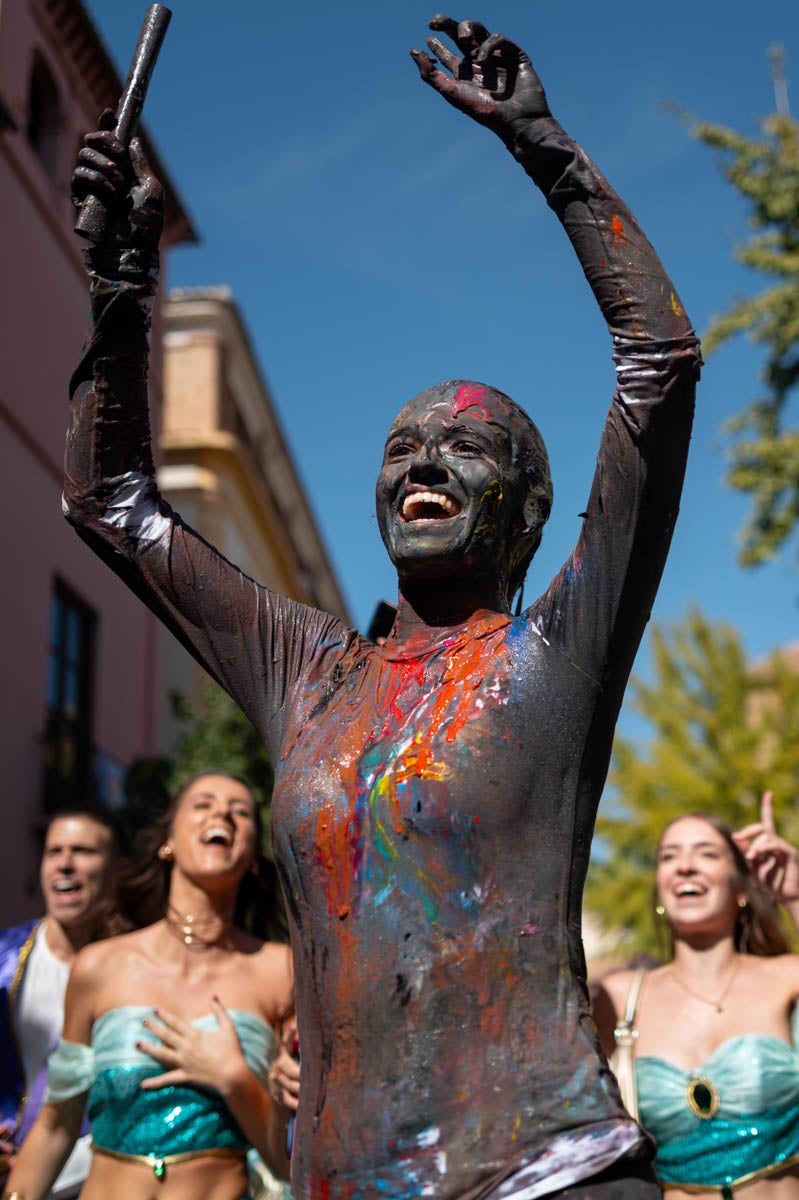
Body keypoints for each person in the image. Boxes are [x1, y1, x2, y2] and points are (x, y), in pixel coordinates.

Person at [60, 15, 701, 1199]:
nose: (425, 461)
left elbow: (658, 365)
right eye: (402, 446)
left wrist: (545, 149)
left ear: (529, 512)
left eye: (466, 446)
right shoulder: (308, 673)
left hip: (548, 1171)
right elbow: (115, 505)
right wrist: (120, 283)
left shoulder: (554, 654)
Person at [5, 771, 296, 1200]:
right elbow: (56, 1125)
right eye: (203, 805)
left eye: (240, 812)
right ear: (167, 842)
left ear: (253, 853)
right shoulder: (99, 966)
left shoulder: (282, 971)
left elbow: (286, 1163)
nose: (221, 815)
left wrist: (234, 1078)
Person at [593, 794, 799, 1199]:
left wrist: (794, 895)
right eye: (669, 856)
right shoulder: (619, 998)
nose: (685, 866)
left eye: (707, 853)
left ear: (740, 886)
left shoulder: (786, 977)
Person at [0, 809, 124, 1200]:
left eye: (83, 851)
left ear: (116, 870)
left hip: (103, 1181)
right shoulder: (3, 959)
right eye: (54, 851)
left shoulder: (139, 969)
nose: (64, 864)